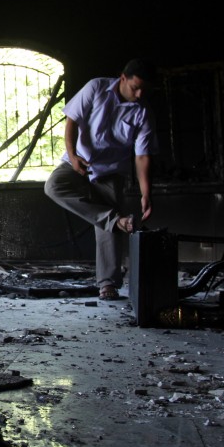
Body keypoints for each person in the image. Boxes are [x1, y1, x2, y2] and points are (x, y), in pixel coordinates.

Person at [45, 58, 158, 300]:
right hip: (79, 161)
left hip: (111, 172)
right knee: (53, 186)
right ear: (123, 78)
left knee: (109, 226)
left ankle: (108, 284)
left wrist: (146, 193)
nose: (138, 94)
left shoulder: (143, 112)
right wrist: (73, 156)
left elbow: (142, 156)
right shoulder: (96, 88)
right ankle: (115, 220)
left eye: (143, 90)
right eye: (134, 87)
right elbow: (71, 121)